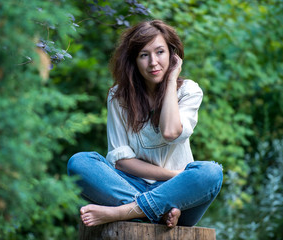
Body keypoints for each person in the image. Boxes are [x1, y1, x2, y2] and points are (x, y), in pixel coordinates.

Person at [67, 20, 223, 228]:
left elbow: (170, 131)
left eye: (160, 52)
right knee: (79, 162)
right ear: (134, 60)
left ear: (172, 54)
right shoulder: (118, 96)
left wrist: (170, 81)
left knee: (211, 173)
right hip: (135, 188)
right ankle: (154, 213)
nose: (153, 62)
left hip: (178, 193)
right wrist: (173, 175)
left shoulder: (189, 91)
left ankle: (124, 212)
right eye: (144, 55)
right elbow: (122, 162)